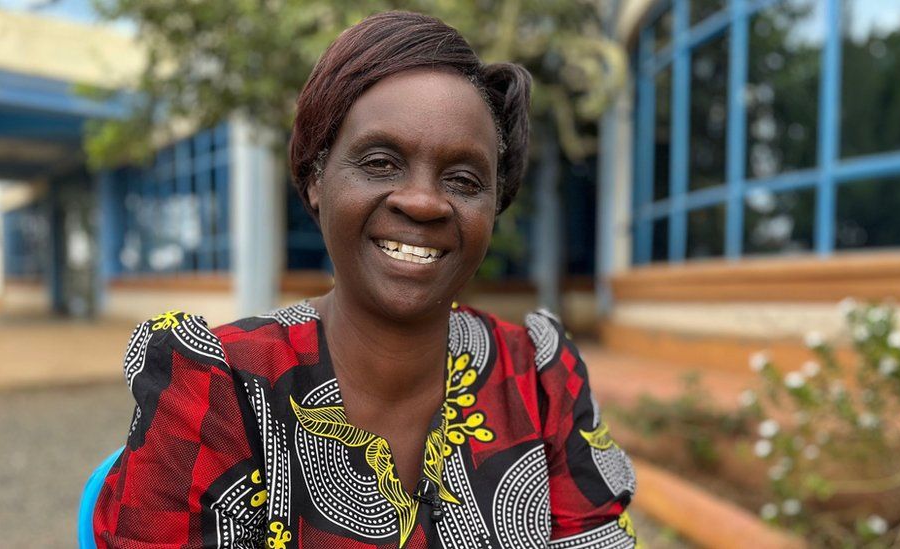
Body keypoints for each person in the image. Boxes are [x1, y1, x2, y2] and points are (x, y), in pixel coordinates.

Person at [93, 10, 636, 548]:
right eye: (380, 162)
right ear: (315, 180)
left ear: (493, 207)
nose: (423, 201)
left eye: (464, 179)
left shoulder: (539, 380)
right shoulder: (219, 386)